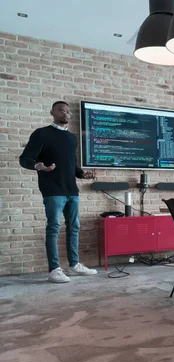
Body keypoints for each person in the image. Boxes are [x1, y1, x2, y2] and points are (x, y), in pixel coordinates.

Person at [19, 101, 97, 283]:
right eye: (61, 111)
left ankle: (74, 265)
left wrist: (82, 174)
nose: (66, 114)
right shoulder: (42, 134)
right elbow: (24, 159)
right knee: (53, 228)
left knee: (74, 228)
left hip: (72, 190)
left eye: (68, 112)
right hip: (53, 190)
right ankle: (54, 269)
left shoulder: (72, 138)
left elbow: (72, 164)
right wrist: (39, 166)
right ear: (52, 112)